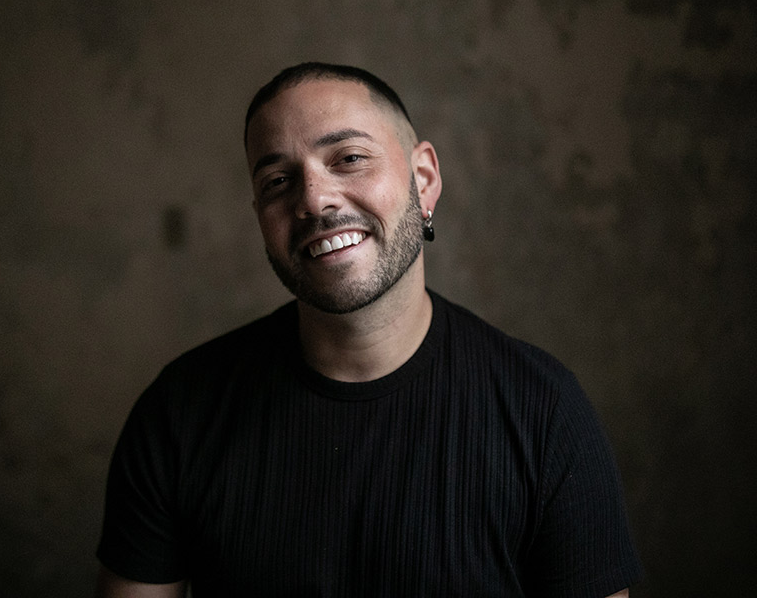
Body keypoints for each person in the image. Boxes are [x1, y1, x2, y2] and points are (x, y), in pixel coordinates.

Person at [95, 62, 643, 597]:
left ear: (423, 180)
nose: (313, 199)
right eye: (278, 180)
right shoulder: (179, 413)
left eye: (350, 158)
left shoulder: (543, 411)